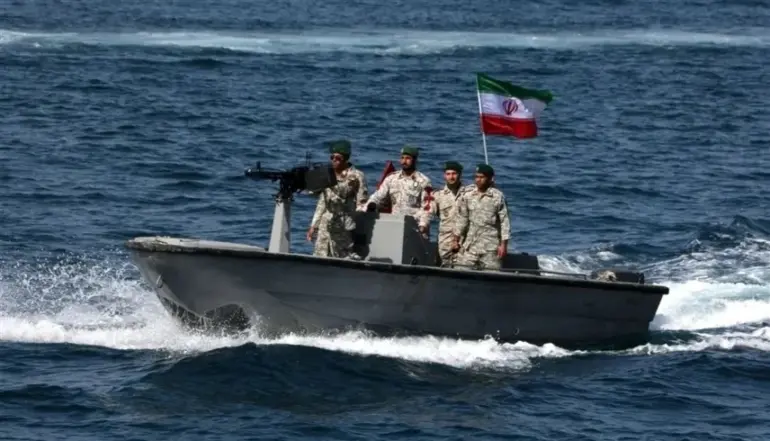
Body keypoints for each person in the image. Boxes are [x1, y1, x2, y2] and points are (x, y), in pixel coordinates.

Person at [306, 140, 364, 259]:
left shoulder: (355, 176)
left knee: (342, 258)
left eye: (338, 158)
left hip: (343, 227)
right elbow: (322, 203)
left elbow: (347, 193)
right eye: (332, 157)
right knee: (319, 257)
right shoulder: (328, 175)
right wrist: (314, 226)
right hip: (326, 226)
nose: (334, 160)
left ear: (345, 159)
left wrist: (328, 181)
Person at [362, 145, 433, 236]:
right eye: (402, 158)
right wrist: (368, 207)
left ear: (415, 160)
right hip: (394, 225)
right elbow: (378, 197)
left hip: (414, 228)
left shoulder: (423, 182)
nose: (404, 161)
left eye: (408, 158)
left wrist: (422, 225)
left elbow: (427, 208)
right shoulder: (392, 178)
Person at [452, 163, 511, 271]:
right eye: (476, 177)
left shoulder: (497, 197)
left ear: (490, 179)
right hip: (470, 245)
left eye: (482, 177)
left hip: (490, 247)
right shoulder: (468, 195)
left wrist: (504, 245)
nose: (478, 180)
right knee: (460, 271)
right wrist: (456, 239)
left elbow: (505, 222)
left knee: (492, 276)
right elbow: (462, 218)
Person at [430, 160, 471, 267]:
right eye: (448, 174)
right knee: (445, 269)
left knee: (464, 269)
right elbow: (428, 213)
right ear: (444, 176)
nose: (451, 177)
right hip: (446, 242)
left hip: (465, 241)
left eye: (454, 174)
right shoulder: (438, 195)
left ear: (460, 175)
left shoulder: (469, 194)